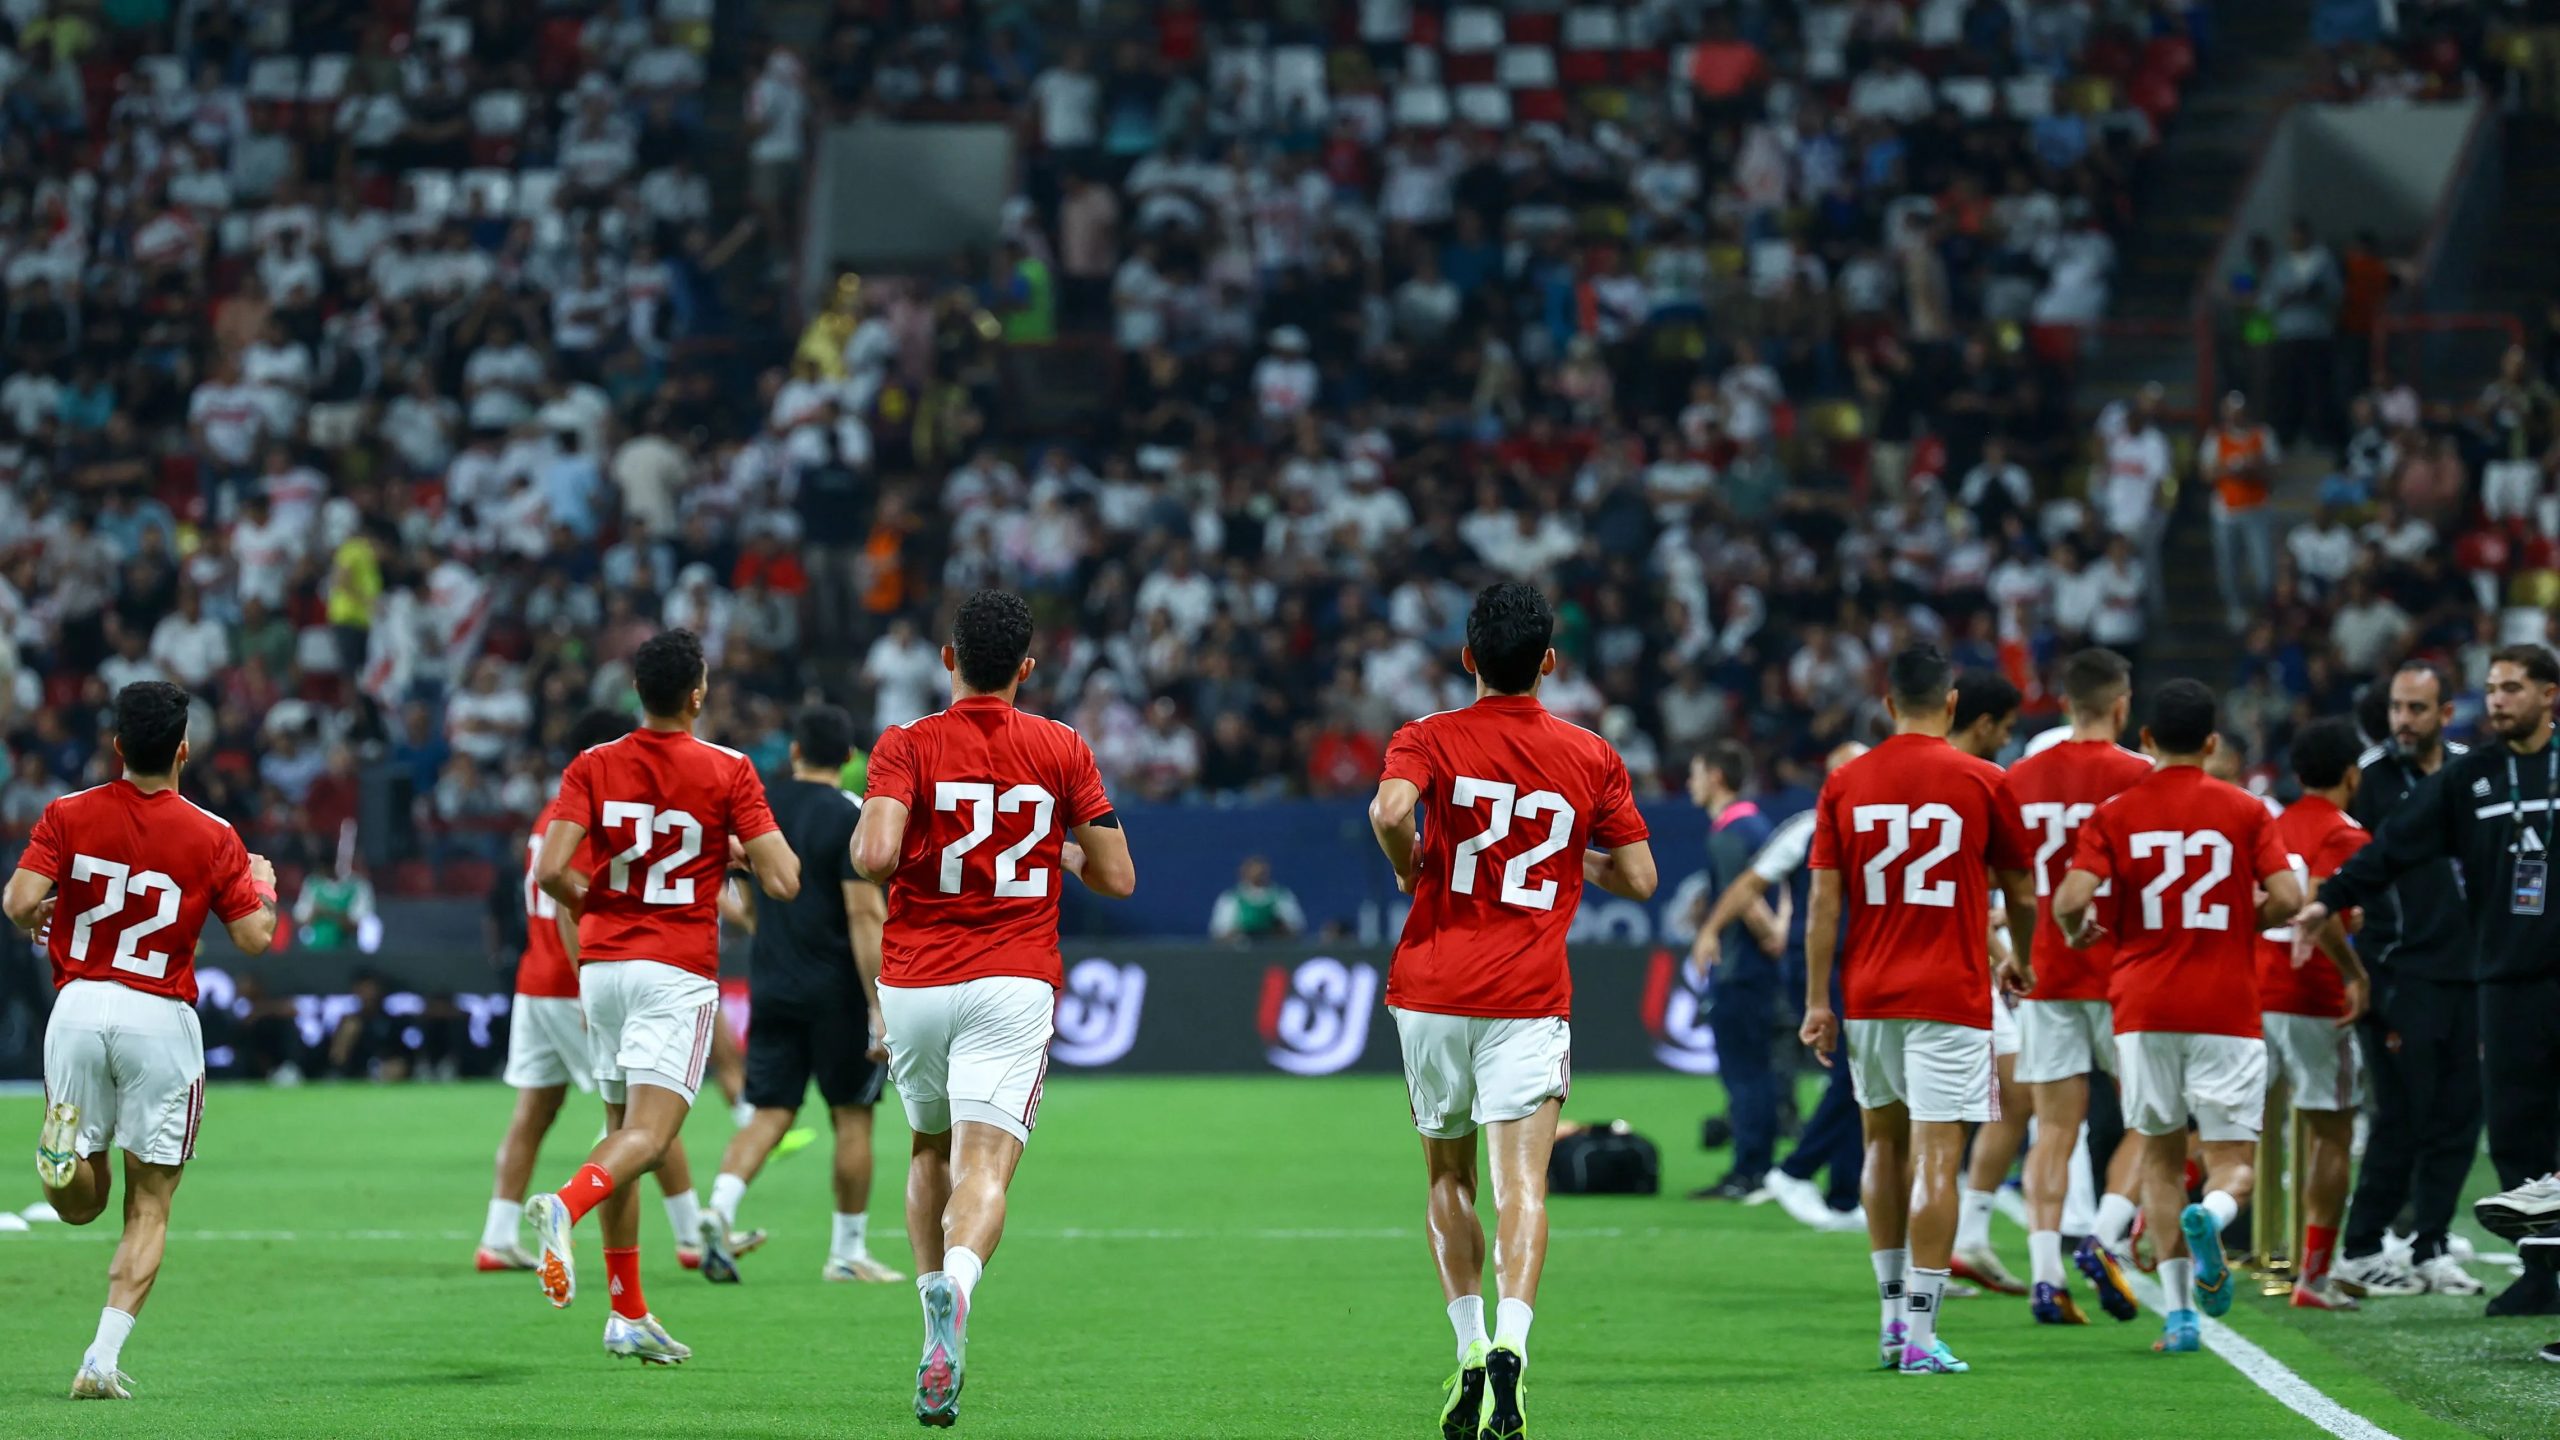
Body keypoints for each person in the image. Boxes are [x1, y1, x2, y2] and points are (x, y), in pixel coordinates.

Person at [1365, 580, 1656, 1440]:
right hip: (1527, 998)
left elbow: (1389, 810)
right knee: (1522, 1185)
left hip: (1431, 990)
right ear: (1550, 663)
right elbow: (1640, 878)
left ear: (1468, 657)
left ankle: (1467, 1344)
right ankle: (1512, 1347)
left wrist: (1408, 863)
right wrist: (1571, 855)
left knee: (1446, 1178)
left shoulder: (1427, 735)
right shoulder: (1591, 754)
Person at [850, 588, 1137, 1427]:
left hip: (914, 981)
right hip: (1010, 978)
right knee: (984, 1167)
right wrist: (1060, 850)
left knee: (928, 1146)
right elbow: (1119, 877)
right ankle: (959, 1287)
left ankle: (929, 1308)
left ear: (948, 659)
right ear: (1026, 668)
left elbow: (873, 855)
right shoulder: (1061, 747)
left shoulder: (905, 744)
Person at [522, 628, 803, 1365]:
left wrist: (601, 907)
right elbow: (785, 880)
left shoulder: (592, 763)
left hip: (603, 969)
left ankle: (627, 1313)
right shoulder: (728, 769)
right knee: (651, 1138)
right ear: (698, 695)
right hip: (673, 969)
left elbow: (551, 871)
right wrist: (736, 854)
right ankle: (564, 1205)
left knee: (619, 1130)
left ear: (637, 692)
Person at [3, 680, 282, 1398]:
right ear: (184, 749)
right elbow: (255, 938)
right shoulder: (213, 834)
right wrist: (263, 884)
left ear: (118, 745)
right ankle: (100, 1359)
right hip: (158, 1014)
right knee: (148, 1205)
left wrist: (41, 916)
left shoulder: (68, 812)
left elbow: (19, 901)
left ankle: (60, 1157)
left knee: (80, 1201)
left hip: (76, 1006)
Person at [2297, 644, 2560, 1319]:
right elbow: (2393, 846)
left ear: (2549, 696)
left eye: (2513, 688)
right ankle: (2540, 1274)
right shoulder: (2473, 777)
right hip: (2501, 981)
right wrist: (2330, 899)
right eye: (2493, 688)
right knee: (2514, 1134)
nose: (2497, 699)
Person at [1799, 644, 2036, 1376]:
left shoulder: (1846, 781)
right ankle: (1924, 1334)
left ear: (1888, 701)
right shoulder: (1985, 779)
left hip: (1870, 995)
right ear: (1953, 703)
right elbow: (2022, 891)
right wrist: (2022, 957)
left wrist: (1817, 1000)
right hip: (1950, 994)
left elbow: (1824, 904)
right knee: (1939, 1156)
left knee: (1882, 1148)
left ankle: (1891, 1323)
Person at [2053, 679, 2304, 1355]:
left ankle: (2181, 1317)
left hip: (2143, 1007)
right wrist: (2245, 922)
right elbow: (2289, 895)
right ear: (2212, 741)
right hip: (2225, 1005)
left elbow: (2070, 899)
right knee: (2233, 1165)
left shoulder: (2115, 813)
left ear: (2145, 739)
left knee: (2160, 1159)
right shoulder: (2246, 808)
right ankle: (2212, 1217)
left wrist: (2077, 931)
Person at [477, 708, 751, 1278]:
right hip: (581, 981)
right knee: (646, 1116)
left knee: (535, 1112)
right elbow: (568, 904)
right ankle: (690, 1237)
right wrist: (583, 977)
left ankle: (497, 1236)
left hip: (535, 982)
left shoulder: (551, 815)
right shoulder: (596, 811)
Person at [704, 703, 904, 1285]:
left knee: (769, 1112)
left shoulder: (760, 809)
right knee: (852, 1117)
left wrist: (772, 935)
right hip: (837, 992)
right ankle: (847, 1251)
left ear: (794, 751)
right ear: (848, 757)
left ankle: (719, 1209)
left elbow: (740, 897)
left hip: (771, 984)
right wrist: (878, 1005)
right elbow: (864, 914)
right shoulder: (851, 815)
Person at [2000, 647, 2153, 1326]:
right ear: (2122, 705)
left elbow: (2002, 881)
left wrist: (2012, 950)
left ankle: (2045, 1278)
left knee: (2054, 1129)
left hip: (2045, 970)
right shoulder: (2142, 777)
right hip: (2126, 974)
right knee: (2153, 1119)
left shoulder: (2018, 778)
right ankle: (2105, 1236)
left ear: (2063, 703)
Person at [2334, 660, 2481, 1299]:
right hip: (2395, 972)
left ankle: (2430, 1245)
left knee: (2459, 1118)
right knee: (2399, 1115)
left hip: (2469, 973)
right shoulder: (2367, 781)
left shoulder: (2472, 774)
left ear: (2445, 713)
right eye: (2397, 707)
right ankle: (2363, 1245)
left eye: (2417, 709)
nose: (2403, 720)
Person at [1692, 742, 1868, 1233]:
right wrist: (1714, 930)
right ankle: (1794, 1171)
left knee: (1861, 1077)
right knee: (1853, 1074)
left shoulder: (1876, 825)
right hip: (1821, 967)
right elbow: (1752, 884)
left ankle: (1844, 1193)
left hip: (1867, 965)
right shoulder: (1807, 827)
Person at [2255, 717, 2375, 1311]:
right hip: (2312, 996)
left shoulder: (2272, 823)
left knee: (2232, 1126)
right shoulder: (2345, 833)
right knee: (2331, 1130)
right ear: (2352, 774)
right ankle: (2313, 1277)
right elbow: (2322, 910)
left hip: (2256, 989)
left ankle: (2155, 1223)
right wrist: (2354, 974)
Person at [1943, 671, 2032, 1297]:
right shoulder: (1979, 782)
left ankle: (1967, 1236)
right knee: (1934, 1127)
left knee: (2015, 1094)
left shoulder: (1931, 776)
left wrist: (2001, 953)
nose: (2006, 738)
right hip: (1948, 975)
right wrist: (2014, 954)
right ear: (1982, 723)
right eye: (2004, 727)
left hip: (1949, 965)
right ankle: (1921, 1266)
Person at [1683, 743, 1778, 1201]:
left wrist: (1770, 935)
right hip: (1755, 972)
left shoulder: (1731, 833)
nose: (1690, 784)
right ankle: (1757, 1167)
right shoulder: (1755, 825)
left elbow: (1749, 896)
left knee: (1744, 1074)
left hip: (1741, 971)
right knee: (1756, 1071)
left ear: (1716, 776)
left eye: (1696, 774)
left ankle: (1749, 1171)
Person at [1208, 855, 1307, 941]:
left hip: (1275, 949)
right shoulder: (1230, 898)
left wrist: (1280, 928)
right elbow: (1219, 933)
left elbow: (1297, 928)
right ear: (1244, 873)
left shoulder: (1282, 896)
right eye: (1253, 872)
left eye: (1261, 873)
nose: (1257, 876)